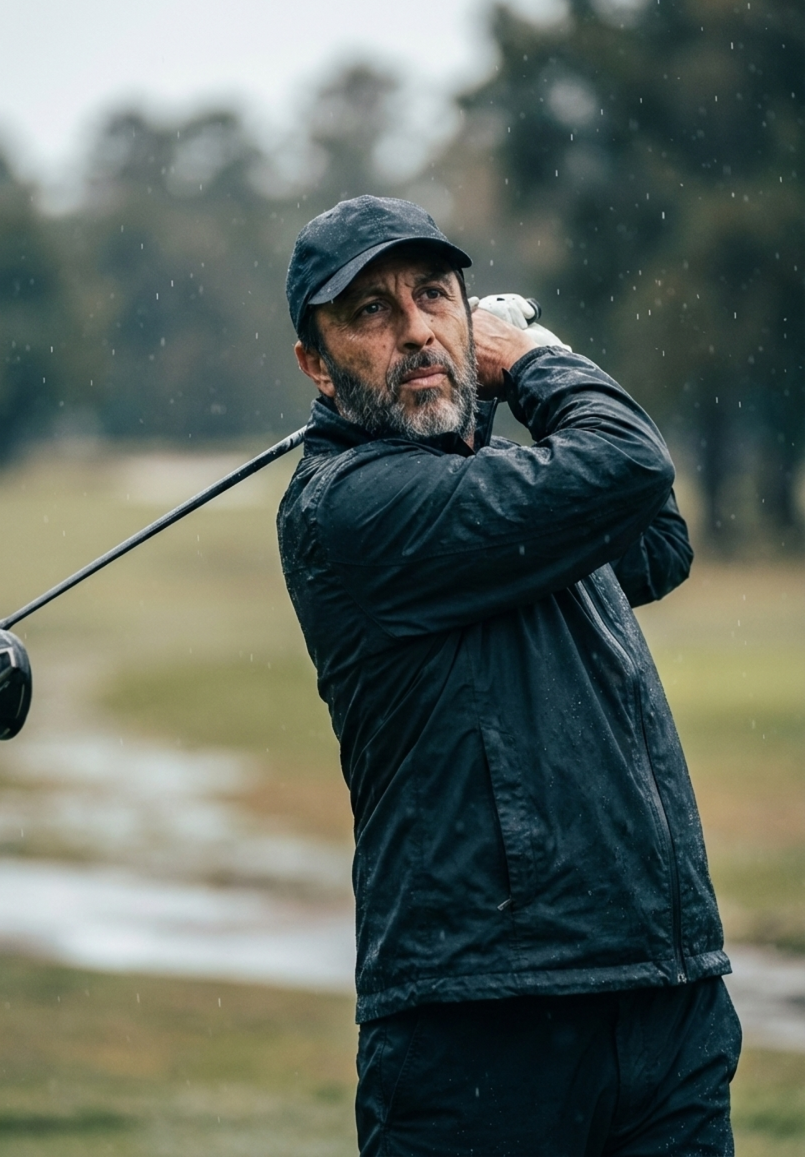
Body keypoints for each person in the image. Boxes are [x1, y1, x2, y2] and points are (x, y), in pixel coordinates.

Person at [277, 195, 741, 1156]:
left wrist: (507, 384)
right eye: (371, 311)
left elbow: (656, 538)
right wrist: (532, 358)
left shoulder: (491, 489)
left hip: (663, 1003)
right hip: (481, 1028)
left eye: (435, 296)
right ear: (316, 365)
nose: (417, 329)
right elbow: (628, 463)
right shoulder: (352, 507)